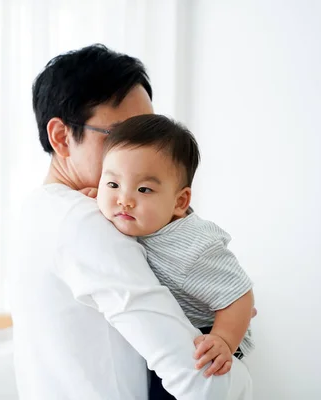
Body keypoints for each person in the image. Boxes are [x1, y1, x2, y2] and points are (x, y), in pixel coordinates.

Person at [10, 44, 252, 399]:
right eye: (120, 134)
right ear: (61, 136)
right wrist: (238, 371)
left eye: (146, 131)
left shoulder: (34, 211)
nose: (140, 149)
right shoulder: (87, 221)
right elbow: (204, 384)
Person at [95, 114, 255, 399]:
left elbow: (239, 295)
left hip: (207, 329)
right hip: (168, 323)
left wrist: (223, 339)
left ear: (180, 202)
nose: (125, 199)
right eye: (112, 185)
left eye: (144, 189)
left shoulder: (193, 247)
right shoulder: (132, 218)